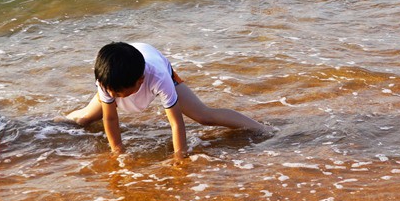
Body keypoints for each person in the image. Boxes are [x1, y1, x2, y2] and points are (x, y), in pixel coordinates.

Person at [66, 42, 267, 159]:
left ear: (140, 81)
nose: (118, 98)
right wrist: (118, 152)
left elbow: (175, 122)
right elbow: (110, 120)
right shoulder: (107, 82)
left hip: (153, 66)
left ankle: (261, 128)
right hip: (120, 70)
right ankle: (59, 121)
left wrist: (180, 156)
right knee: (85, 118)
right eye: (114, 94)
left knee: (204, 116)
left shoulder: (158, 77)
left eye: (121, 94)